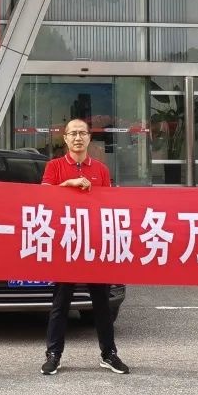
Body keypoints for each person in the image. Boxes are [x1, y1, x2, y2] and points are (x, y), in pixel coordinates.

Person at [40, 118, 130, 376]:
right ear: (65, 138)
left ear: (90, 138)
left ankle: (109, 353)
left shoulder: (100, 169)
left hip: (94, 244)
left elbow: (109, 205)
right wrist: (67, 185)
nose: (78, 138)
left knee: (102, 303)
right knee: (61, 302)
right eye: (73, 133)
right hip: (66, 243)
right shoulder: (54, 166)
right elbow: (42, 199)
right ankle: (53, 354)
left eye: (82, 133)